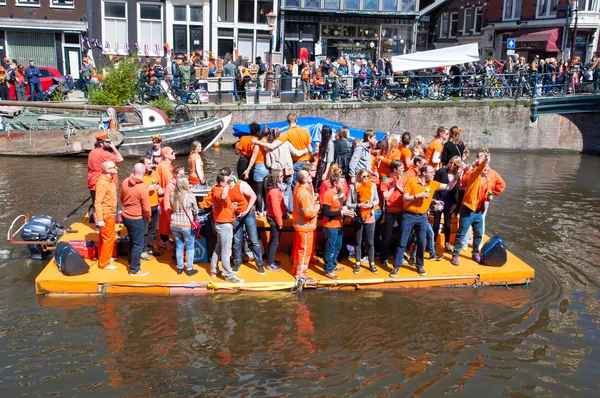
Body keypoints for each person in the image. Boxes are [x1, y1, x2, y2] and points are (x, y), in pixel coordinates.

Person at [391, 164, 461, 277]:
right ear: (424, 173)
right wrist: (419, 195)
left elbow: (448, 187)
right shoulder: (412, 181)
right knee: (402, 242)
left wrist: (456, 178)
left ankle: (419, 265)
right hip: (408, 215)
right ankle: (396, 266)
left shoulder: (432, 184)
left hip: (422, 216)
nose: (434, 174)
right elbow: (405, 198)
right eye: (431, 172)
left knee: (422, 241)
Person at [223, 168, 265, 275]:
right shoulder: (225, 188)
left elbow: (254, 197)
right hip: (235, 215)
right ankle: (237, 262)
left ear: (231, 176)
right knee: (237, 240)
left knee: (254, 239)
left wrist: (246, 211)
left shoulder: (241, 185)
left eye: (226, 177)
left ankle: (259, 263)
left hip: (248, 213)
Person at [209, 170, 244, 283]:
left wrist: (231, 207)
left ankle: (214, 270)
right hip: (224, 225)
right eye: (227, 181)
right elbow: (223, 197)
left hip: (222, 223)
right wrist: (228, 184)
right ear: (221, 183)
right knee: (226, 251)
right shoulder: (218, 191)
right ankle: (228, 275)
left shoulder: (217, 188)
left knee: (218, 247)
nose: (229, 182)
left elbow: (224, 202)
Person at [265, 127, 309, 212]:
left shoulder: (269, 147)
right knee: (287, 192)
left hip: (276, 173)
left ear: (270, 136)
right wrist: (306, 150)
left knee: (277, 193)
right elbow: (296, 153)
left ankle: (281, 211)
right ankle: (288, 210)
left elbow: (268, 164)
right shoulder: (286, 143)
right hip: (288, 171)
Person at [120, 163, 152, 276]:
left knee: (132, 240)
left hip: (125, 216)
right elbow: (146, 207)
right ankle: (135, 269)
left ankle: (131, 262)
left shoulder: (125, 181)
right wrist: (148, 217)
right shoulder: (142, 188)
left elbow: (121, 198)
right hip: (136, 218)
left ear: (133, 170)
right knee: (138, 244)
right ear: (144, 173)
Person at [346, 168, 380, 274]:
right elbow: (348, 204)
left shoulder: (373, 186)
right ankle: (357, 262)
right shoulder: (353, 187)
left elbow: (377, 200)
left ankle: (372, 263)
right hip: (358, 216)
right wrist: (358, 205)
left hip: (369, 215)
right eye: (364, 176)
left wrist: (372, 204)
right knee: (358, 241)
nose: (366, 178)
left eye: (367, 176)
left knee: (370, 241)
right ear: (359, 177)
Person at [322, 173, 354, 279]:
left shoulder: (341, 192)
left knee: (338, 246)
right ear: (335, 183)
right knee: (330, 248)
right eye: (341, 183)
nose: (343, 184)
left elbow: (343, 204)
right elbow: (326, 212)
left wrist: (349, 211)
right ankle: (328, 269)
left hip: (339, 224)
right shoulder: (328, 194)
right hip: (330, 226)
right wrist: (341, 213)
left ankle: (334, 264)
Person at [292, 170, 319, 281]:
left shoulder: (298, 189)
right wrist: (316, 208)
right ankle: (302, 274)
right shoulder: (304, 194)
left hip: (300, 225)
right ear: (304, 179)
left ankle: (296, 269)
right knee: (305, 251)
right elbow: (308, 213)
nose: (310, 176)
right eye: (308, 175)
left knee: (300, 249)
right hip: (306, 227)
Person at [170, 175, 199, 276]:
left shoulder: (172, 194)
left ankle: (180, 267)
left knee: (179, 246)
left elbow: (171, 207)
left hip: (174, 223)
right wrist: (195, 218)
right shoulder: (190, 195)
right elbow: (195, 210)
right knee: (190, 247)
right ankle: (190, 269)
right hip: (186, 224)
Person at [432, 156, 463, 253]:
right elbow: (434, 186)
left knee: (447, 223)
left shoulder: (457, 175)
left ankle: (447, 243)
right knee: (436, 223)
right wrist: (434, 200)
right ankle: (432, 243)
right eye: (451, 162)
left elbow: (457, 190)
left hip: (450, 201)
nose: (451, 165)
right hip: (440, 199)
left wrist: (456, 203)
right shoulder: (441, 171)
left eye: (455, 164)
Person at [379, 160, 406, 267]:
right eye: (401, 168)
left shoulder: (404, 177)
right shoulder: (386, 180)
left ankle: (400, 255)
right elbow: (386, 196)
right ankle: (384, 257)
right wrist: (394, 186)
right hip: (390, 210)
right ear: (394, 170)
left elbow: (406, 190)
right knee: (387, 236)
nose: (403, 170)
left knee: (402, 234)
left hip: (402, 210)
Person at [94, 161, 119, 271]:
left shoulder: (110, 181)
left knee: (105, 238)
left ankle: (104, 257)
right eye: (114, 167)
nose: (116, 168)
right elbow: (97, 202)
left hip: (111, 212)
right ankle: (104, 263)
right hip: (106, 214)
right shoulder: (102, 183)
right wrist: (100, 219)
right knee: (108, 238)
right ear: (107, 170)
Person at [87, 131, 124, 204]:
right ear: (101, 143)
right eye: (107, 142)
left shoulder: (93, 151)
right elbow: (120, 159)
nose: (109, 143)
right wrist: (114, 148)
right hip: (103, 185)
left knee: (97, 205)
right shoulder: (104, 154)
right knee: (108, 207)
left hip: (94, 183)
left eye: (109, 141)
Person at [243, 126, 270, 216]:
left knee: (258, 192)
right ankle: (266, 210)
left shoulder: (257, 144)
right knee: (265, 191)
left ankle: (260, 211)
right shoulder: (268, 144)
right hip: (266, 168)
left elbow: (254, 157)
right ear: (268, 135)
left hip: (259, 168)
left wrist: (248, 169)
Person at [140, 156, 162, 260]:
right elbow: (136, 191)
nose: (151, 165)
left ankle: (149, 247)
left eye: (151, 163)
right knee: (144, 229)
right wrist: (146, 190)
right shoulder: (139, 176)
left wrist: (160, 188)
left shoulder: (154, 173)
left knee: (153, 228)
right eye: (148, 164)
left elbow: (157, 183)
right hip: (145, 206)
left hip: (154, 204)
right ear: (142, 165)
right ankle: (143, 250)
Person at [265, 169, 285, 272]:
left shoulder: (275, 189)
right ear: (276, 178)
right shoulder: (274, 191)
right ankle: (270, 263)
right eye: (281, 176)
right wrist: (280, 222)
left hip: (274, 216)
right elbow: (276, 208)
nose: (283, 177)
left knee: (274, 240)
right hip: (274, 218)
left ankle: (270, 259)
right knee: (275, 241)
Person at [156, 146, 176, 250]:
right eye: (172, 152)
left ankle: (164, 239)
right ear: (166, 155)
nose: (174, 153)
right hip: (165, 196)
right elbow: (170, 183)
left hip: (164, 194)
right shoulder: (165, 167)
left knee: (165, 220)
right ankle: (163, 241)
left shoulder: (165, 165)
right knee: (165, 220)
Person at [314, 126, 335, 191]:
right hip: (320, 163)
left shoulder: (330, 144)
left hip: (324, 166)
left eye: (321, 131)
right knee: (317, 182)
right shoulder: (322, 142)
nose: (320, 132)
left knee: (321, 184)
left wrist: (325, 173)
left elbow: (329, 160)